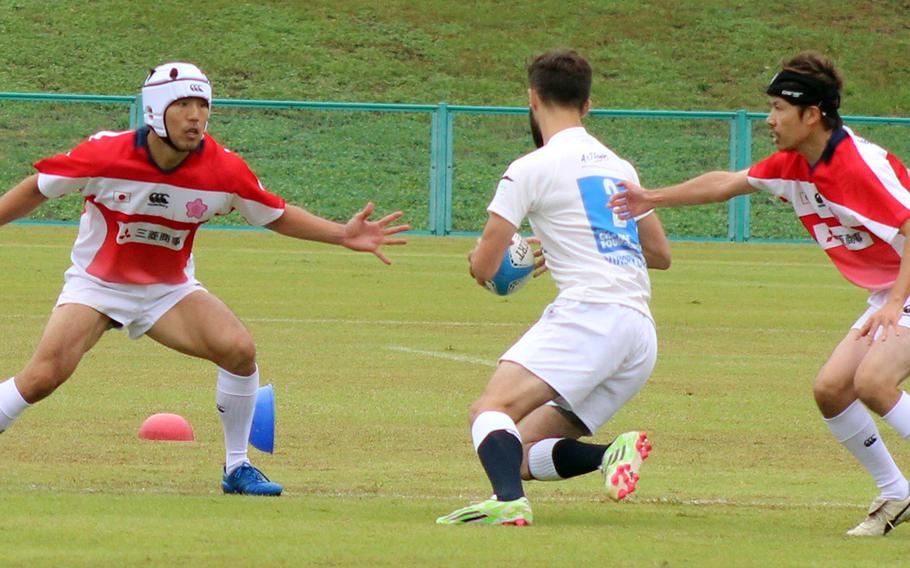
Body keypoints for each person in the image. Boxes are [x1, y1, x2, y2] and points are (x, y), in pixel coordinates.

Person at [0, 62, 409, 496]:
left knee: (239, 350)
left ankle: (237, 467)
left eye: (202, 105)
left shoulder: (224, 170)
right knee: (44, 376)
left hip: (168, 290)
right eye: (183, 104)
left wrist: (342, 234)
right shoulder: (105, 154)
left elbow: (275, 214)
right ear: (156, 111)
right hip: (99, 284)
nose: (196, 115)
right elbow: (35, 188)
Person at [608, 52, 910, 536]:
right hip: (890, 290)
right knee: (832, 390)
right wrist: (652, 198)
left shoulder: (856, 165)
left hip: (903, 289)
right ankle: (896, 493)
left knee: (874, 381)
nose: (769, 120)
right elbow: (726, 183)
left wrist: (895, 303)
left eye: (777, 109)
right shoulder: (795, 163)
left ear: (811, 115)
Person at [436, 49, 671, 526]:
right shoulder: (619, 167)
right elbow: (661, 255)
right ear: (587, 105)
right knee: (519, 453)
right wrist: (574, 240)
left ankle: (507, 505)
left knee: (490, 408)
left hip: (590, 316)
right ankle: (610, 454)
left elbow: (485, 265)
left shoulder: (530, 168)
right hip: (639, 334)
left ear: (532, 97)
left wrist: (484, 264)